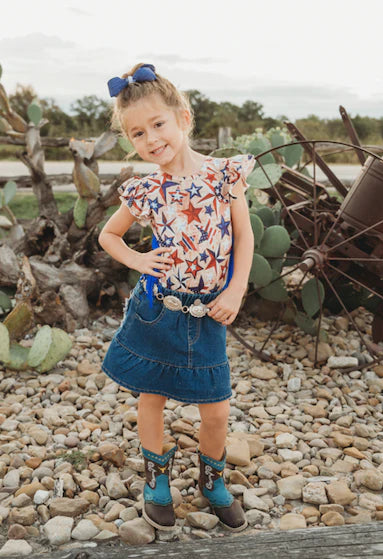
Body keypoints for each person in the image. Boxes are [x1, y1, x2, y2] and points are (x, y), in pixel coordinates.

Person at [98, 63, 255, 533]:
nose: (150, 138)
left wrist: (236, 288)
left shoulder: (224, 174)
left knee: (217, 407)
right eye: (137, 133)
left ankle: (212, 479)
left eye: (157, 124)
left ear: (184, 117)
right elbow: (109, 236)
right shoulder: (145, 189)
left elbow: (245, 237)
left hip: (209, 311)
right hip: (159, 310)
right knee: (152, 396)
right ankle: (156, 479)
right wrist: (140, 261)